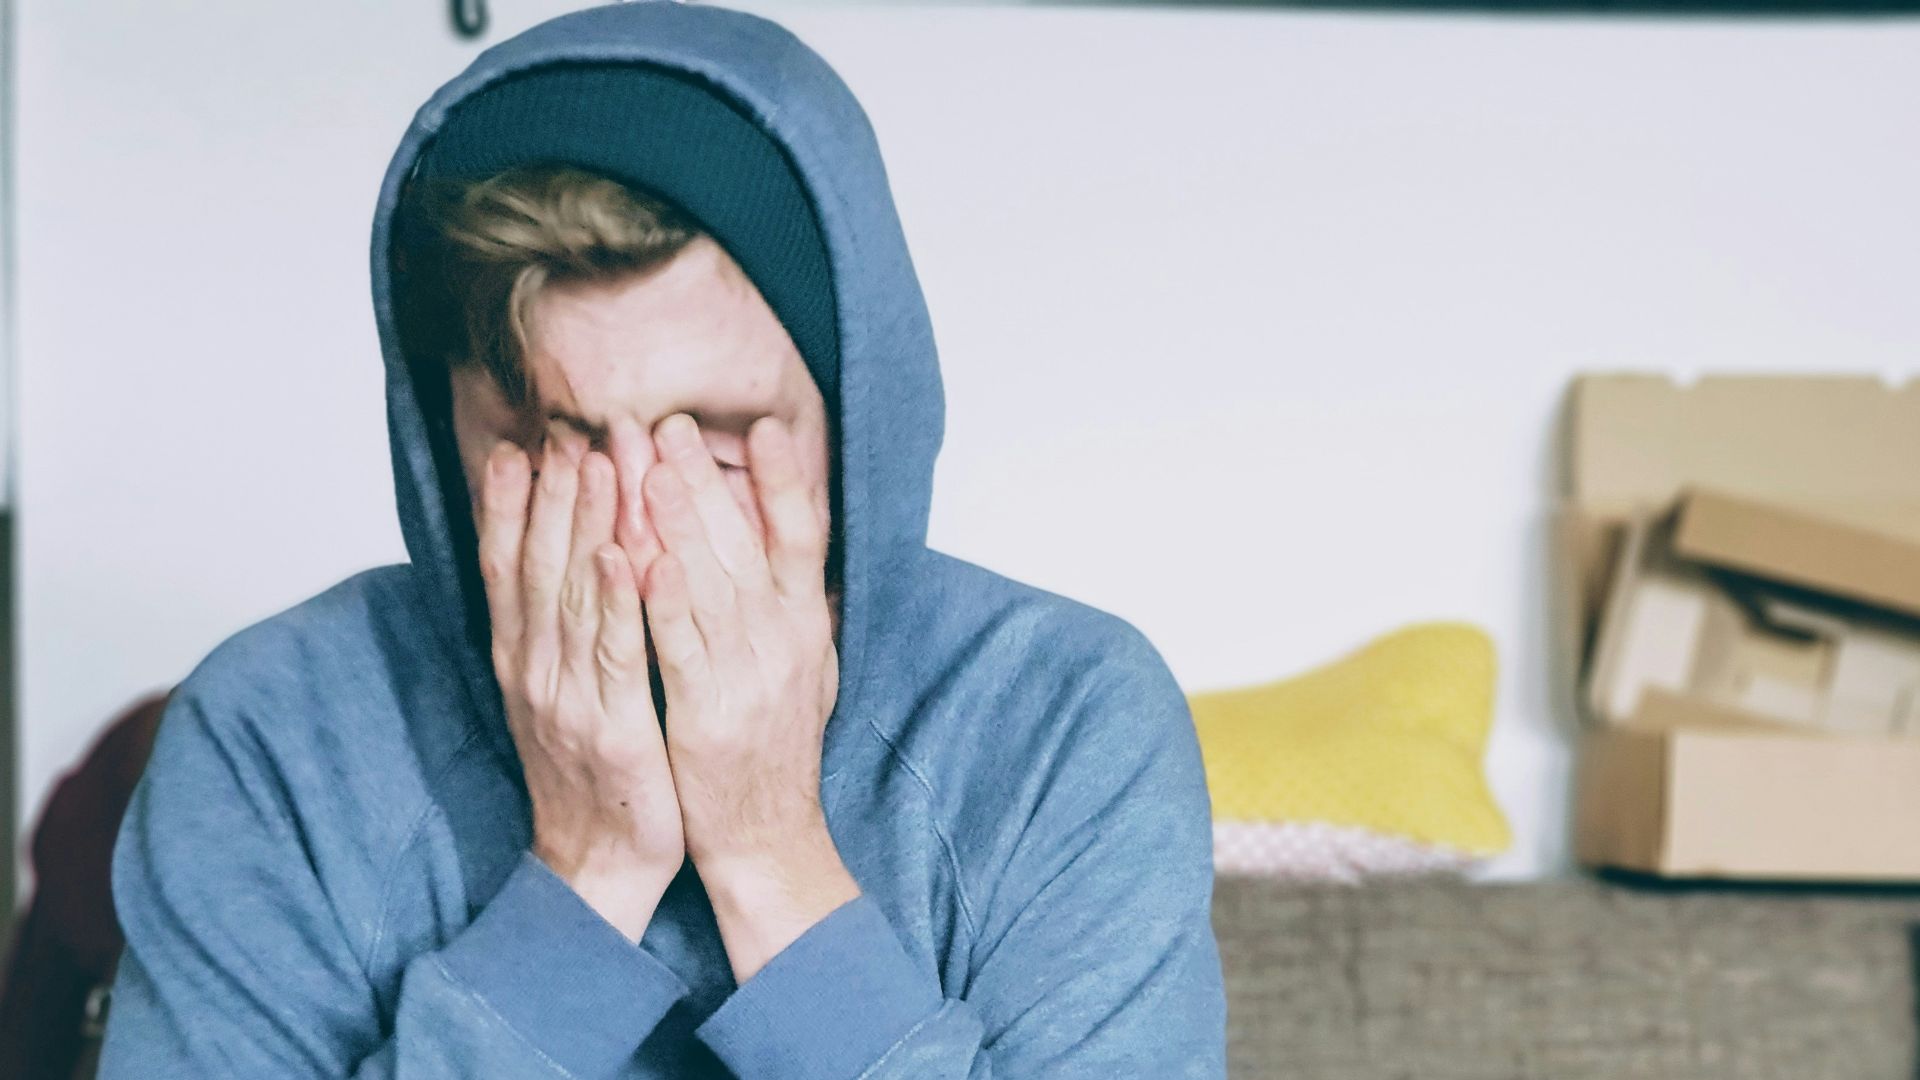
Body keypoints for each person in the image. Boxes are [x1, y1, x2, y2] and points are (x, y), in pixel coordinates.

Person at [96, 3, 1228, 1077]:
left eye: (718, 449)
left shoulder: (1067, 721)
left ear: (856, 421)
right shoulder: (273, 737)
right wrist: (587, 875)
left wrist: (768, 855)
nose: (636, 536)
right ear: (445, 440)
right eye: (555, 444)